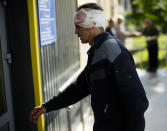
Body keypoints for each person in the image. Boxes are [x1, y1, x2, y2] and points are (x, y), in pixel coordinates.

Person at [30, 3, 149, 131]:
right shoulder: (97, 51)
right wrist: (46, 107)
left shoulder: (112, 50)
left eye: (78, 26)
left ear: (91, 24)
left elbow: (137, 102)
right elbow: (79, 88)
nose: (76, 32)